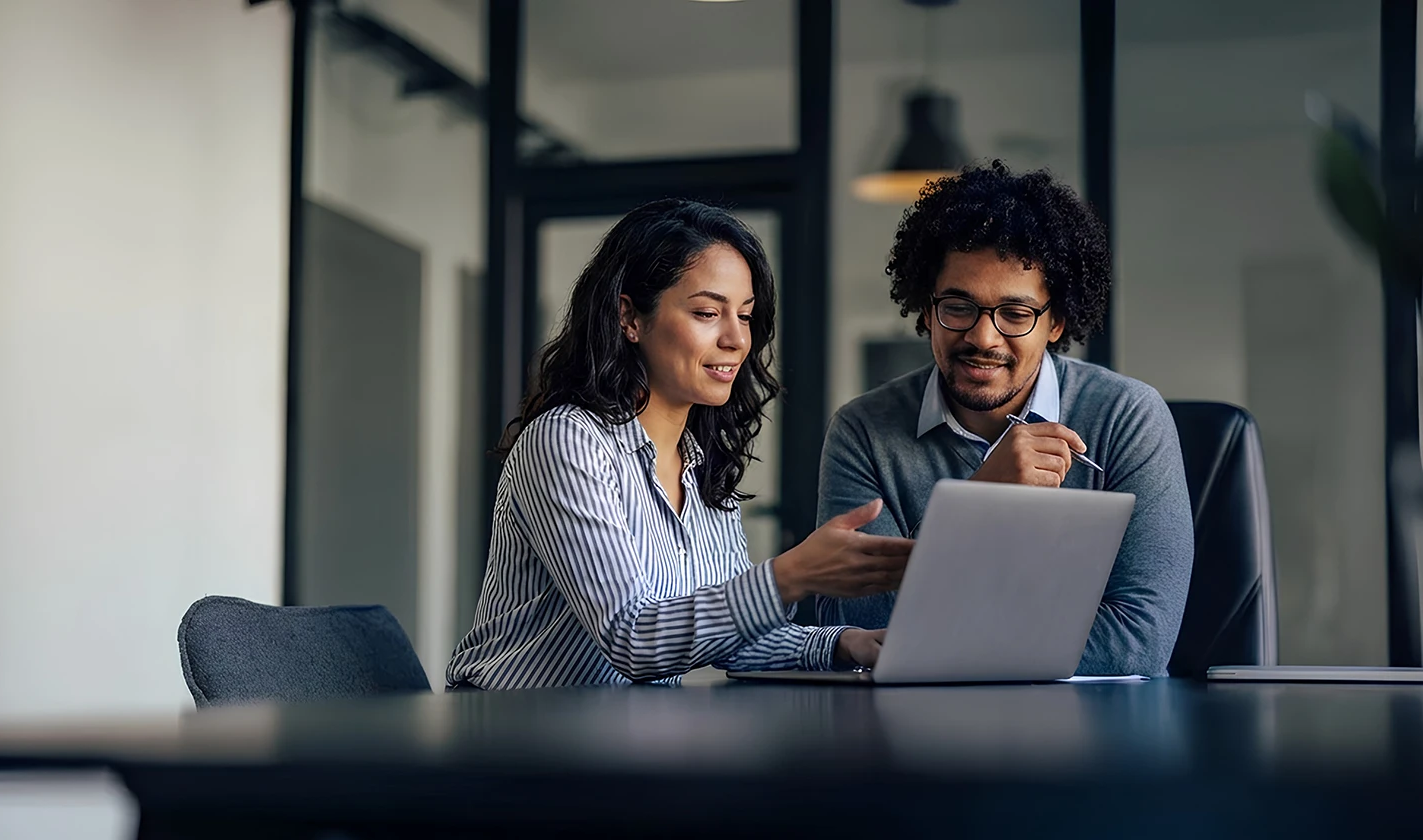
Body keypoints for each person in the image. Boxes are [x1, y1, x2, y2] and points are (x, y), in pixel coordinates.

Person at [448, 198, 910, 686]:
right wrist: (791, 574)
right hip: (512, 738)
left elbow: (735, 636)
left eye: (746, 315)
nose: (736, 339)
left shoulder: (700, 464)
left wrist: (845, 642)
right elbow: (632, 638)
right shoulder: (567, 440)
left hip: (619, 739)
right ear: (630, 317)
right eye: (708, 312)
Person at [817, 161, 1194, 677]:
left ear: (1056, 321)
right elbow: (872, 632)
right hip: (920, 739)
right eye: (958, 306)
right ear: (926, 311)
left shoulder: (1128, 418)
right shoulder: (862, 432)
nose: (983, 338)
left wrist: (944, 634)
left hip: (1098, 738)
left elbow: (1137, 643)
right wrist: (977, 503)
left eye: (1015, 314)